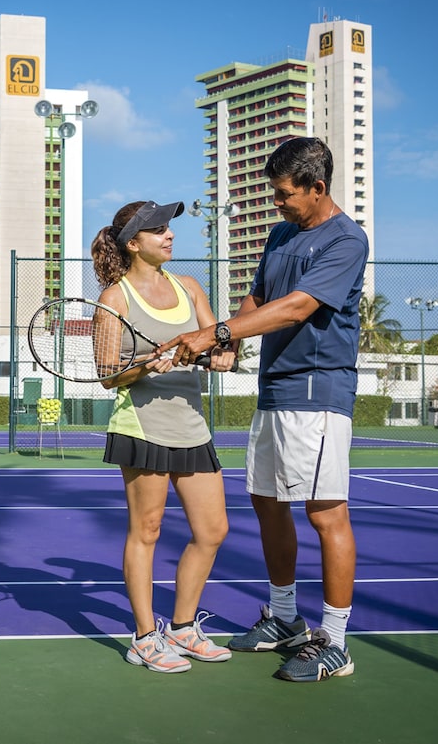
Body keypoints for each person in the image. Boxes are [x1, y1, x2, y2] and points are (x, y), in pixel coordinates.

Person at [158, 137, 368, 682]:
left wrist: (214, 332)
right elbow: (261, 297)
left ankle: (336, 642)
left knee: (325, 513)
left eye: (284, 195)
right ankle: (283, 619)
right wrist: (230, 342)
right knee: (268, 501)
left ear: (317, 189)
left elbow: (298, 307)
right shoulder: (281, 234)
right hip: (275, 389)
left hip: (318, 392)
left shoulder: (346, 240)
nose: (277, 203)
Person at [91, 199, 235, 673]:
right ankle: (144, 637)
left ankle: (183, 627)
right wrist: (146, 366)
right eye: (158, 230)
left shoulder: (189, 286)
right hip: (142, 428)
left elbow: (220, 345)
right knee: (146, 532)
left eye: (169, 228)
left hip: (192, 427)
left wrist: (214, 354)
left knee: (212, 531)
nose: (170, 235)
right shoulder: (115, 298)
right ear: (134, 243)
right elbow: (108, 375)